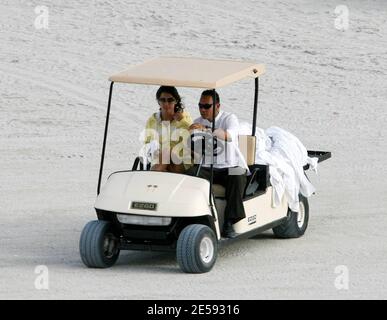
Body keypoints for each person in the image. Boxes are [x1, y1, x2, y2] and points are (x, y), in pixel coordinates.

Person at [187, 90, 248, 237]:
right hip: (208, 167)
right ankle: (189, 216)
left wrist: (208, 129)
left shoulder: (229, 118)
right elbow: (192, 148)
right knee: (188, 176)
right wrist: (189, 133)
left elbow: (228, 136)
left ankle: (230, 222)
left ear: (217, 106)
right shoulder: (197, 121)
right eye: (200, 105)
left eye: (206, 106)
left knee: (238, 176)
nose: (202, 109)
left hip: (230, 166)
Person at [143, 86, 192, 173]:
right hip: (159, 160)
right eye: (163, 100)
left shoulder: (184, 118)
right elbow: (147, 143)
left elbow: (191, 140)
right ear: (158, 101)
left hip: (179, 162)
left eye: (170, 100)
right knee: (164, 154)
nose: (166, 104)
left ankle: (152, 174)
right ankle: (158, 170)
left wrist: (182, 121)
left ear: (176, 101)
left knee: (167, 151)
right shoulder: (152, 120)